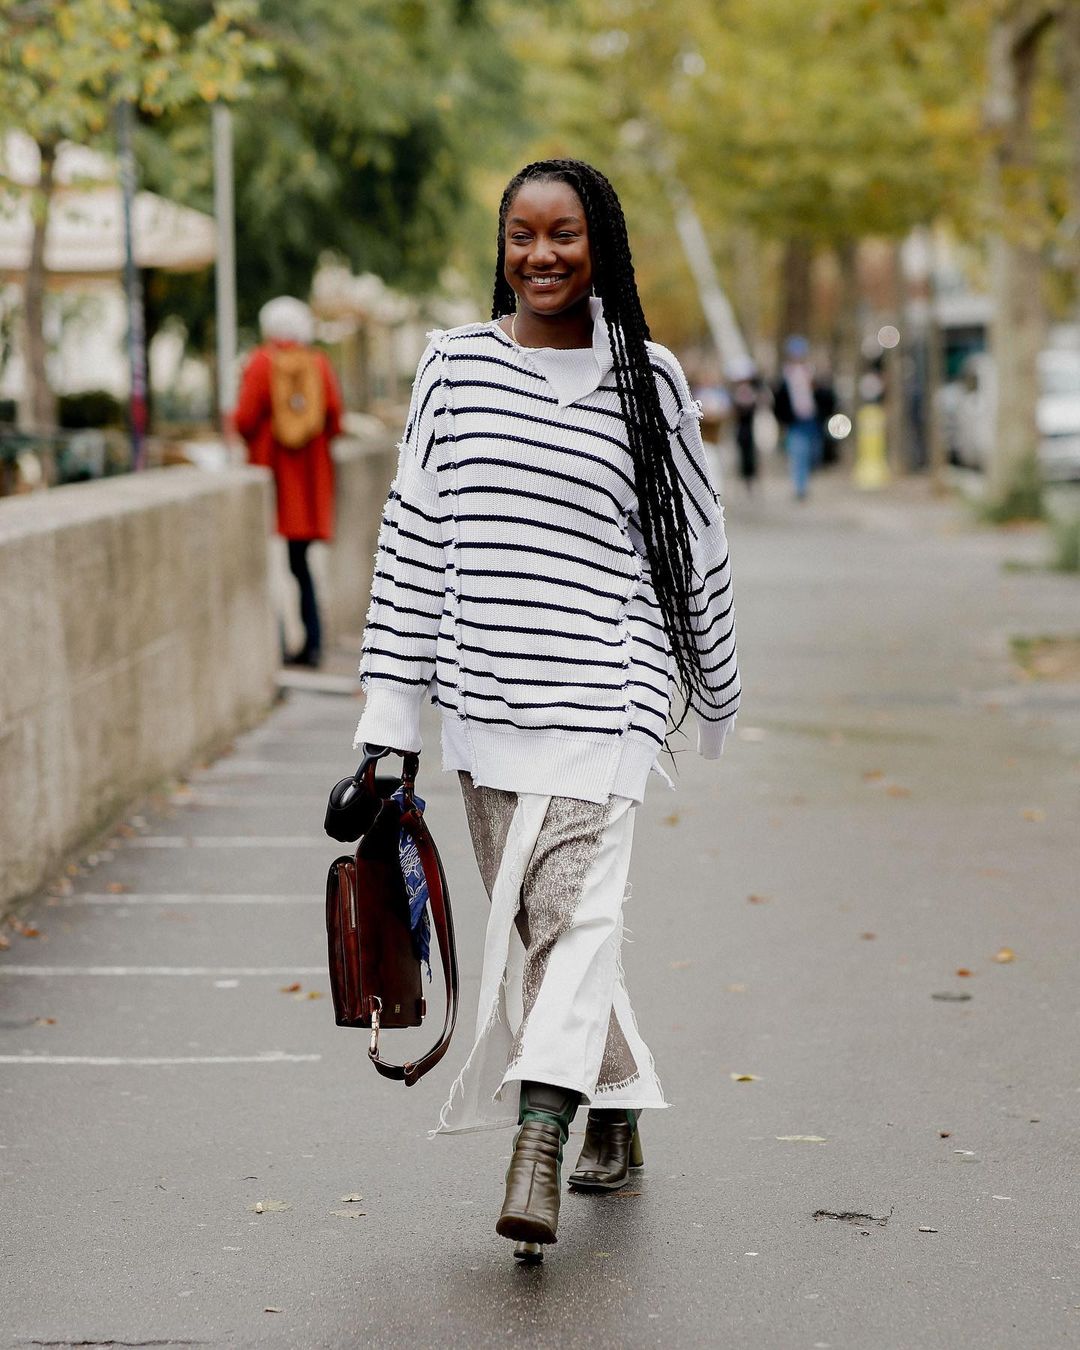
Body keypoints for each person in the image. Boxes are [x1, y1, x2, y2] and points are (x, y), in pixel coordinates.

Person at [352, 159, 741, 1261]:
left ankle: (539, 1135)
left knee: (579, 920)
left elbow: (691, 543)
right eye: (522, 234)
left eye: (564, 233)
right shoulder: (453, 369)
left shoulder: (649, 379)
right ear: (501, 246)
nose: (542, 254)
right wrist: (391, 721)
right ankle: (613, 1103)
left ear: (599, 245)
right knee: (545, 923)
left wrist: (711, 684)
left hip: (610, 695)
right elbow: (414, 545)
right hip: (486, 702)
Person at [236, 296, 343, 668]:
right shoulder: (318, 364)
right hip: (309, 483)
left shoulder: (261, 363)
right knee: (301, 565)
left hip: (274, 478)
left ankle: (280, 646)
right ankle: (312, 642)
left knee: (272, 566)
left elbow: (244, 418)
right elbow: (335, 419)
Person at [773, 334, 820, 500]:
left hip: (811, 420)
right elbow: (779, 401)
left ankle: (804, 483)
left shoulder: (811, 373)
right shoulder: (785, 376)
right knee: (798, 453)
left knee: (812, 454)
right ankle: (800, 487)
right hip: (795, 422)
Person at [727, 355, 760, 493]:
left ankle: (750, 479)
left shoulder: (750, 392)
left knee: (750, 456)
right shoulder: (737, 393)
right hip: (742, 429)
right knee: (743, 455)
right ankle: (745, 480)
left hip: (750, 429)